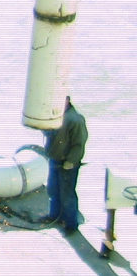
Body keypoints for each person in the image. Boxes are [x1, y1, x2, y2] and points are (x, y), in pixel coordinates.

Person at [44, 96, 88, 235]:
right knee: (53, 190)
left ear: (67, 101)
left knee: (67, 194)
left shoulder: (76, 119)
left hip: (67, 164)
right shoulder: (55, 117)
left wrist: (71, 161)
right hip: (54, 160)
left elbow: (79, 144)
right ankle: (54, 216)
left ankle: (71, 224)